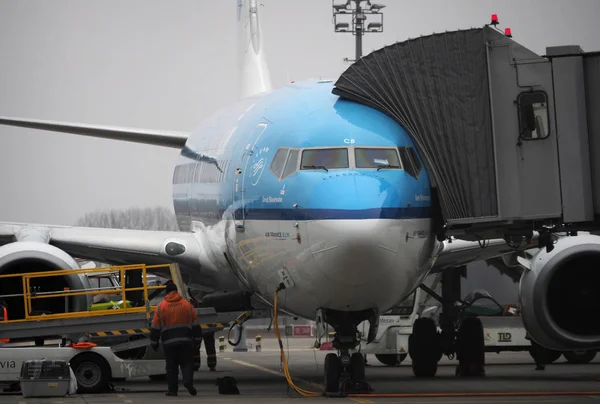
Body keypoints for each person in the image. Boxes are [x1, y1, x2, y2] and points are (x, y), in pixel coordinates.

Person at [150, 281, 202, 396]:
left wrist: (154, 343)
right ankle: (188, 382)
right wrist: (197, 341)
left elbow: (155, 327)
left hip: (169, 343)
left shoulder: (160, 307)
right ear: (176, 291)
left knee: (171, 367)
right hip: (186, 341)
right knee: (187, 363)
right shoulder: (187, 305)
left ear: (167, 292)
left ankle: (173, 390)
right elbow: (196, 325)